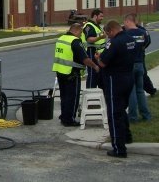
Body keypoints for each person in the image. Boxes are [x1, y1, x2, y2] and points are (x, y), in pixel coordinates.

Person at [95, 20, 136, 158]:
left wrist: (98, 57)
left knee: (114, 115)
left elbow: (103, 62)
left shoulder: (114, 42)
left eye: (108, 34)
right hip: (128, 77)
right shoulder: (130, 39)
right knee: (121, 109)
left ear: (111, 30)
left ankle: (119, 148)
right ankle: (127, 136)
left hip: (115, 80)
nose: (108, 36)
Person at [53, 23, 100, 127]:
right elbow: (85, 59)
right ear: (78, 30)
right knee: (72, 97)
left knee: (64, 96)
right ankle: (69, 120)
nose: (80, 35)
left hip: (60, 72)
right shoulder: (75, 41)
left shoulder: (61, 39)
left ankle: (64, 116)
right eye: (81, 33)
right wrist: (95, 67)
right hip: (72, 73)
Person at [123, 14, 152, 122]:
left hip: (129, 65)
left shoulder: (126, 34)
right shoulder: (142, 33)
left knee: (131, 91)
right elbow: (146, 43)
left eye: (124, 22)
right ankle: (146, 115)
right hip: (140, 63)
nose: (124, 25)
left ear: (127, 21)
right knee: (140, 91)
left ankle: (133, 117)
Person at [81, 8, 106, 88]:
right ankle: (90, 94)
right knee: (93, 76)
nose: (102, 18)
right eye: (101, 16)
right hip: (91, 53)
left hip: (98, 55)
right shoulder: (89, 26)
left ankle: (102, 96)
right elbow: (89, 39)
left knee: (100, 77)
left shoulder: (97, 26)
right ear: (95, 16)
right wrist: (101, 37)